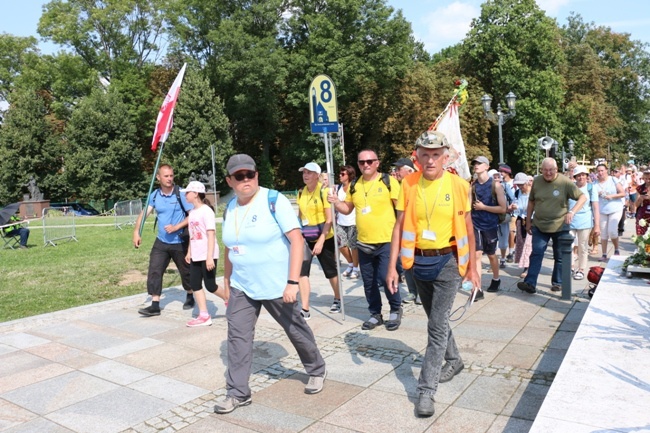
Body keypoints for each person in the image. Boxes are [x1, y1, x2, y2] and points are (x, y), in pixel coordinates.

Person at [215, 154, 326, 414]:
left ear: (257, 175)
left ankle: (316, 368)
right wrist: (227, 279)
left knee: (295, 329)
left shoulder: (273, 200)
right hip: (243, 286)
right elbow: (230, 247)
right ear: (230, 180)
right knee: (238, 337)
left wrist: (292, 282)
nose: (246, 180)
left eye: (250, 174)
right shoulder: (230, 208)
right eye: (239, 176)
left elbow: (297, 241)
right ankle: (238, 392)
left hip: (278, 284)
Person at [386, 130, 480, 418]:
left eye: (436, 154)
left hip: (449, 262)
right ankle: (455, 359)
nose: (430, 160)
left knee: (436, 325)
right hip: (417, 263)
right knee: (435, 319)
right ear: (417, 157)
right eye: (425, 154)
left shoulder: (460, 185)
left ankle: (425, 391)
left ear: (445, 156)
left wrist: (474, 267)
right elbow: (399, 226)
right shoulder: (408, 184)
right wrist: (392, 266)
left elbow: (467, 227)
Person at [328, 149, 402, 331]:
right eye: (362, 162)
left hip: (387, 240)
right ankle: (375, 314)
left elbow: (401, 211)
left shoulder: (388, 181)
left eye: (370, 161)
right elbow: (347, 209)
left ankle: (395, 309)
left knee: (387, 277)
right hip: (363, 242)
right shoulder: (355, 185)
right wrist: (336, 201)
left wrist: (403, 237)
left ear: (377, 162)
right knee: (368, 282)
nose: (366, 165)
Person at [517, 158, 586, 294]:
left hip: (560, 226)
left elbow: (582, 197)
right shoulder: (537, 181)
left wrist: (572, 211)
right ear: (541, 170)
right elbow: (531, 202)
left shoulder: (564, 182)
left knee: (559, 256)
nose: (548, 173)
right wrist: (529, 222)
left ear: (556, 170)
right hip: (540, 224)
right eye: (545, 170)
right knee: (536, 253)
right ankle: (530, 283)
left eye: (551, 170)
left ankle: (558, 282)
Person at [133, 164, 194, 316]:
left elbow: (193, 215)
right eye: (166, 176)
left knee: (186, 272)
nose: (169, 179)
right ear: (158, 177)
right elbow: (144, 213)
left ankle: (190, 294)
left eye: (171, 175)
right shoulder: (154, 195)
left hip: (179, 241)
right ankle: (155, 305)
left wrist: (177, 226)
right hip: (161, 241)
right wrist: (136, 232)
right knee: (155, 269)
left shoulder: (181, 194)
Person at [297, 162, 341, 317]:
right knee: (302, 272)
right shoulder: (301, 192)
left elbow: (329, 219)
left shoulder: (324, 191)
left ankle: (338, 297)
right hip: (307, 236)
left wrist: (321, 240)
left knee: (330, 271)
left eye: (309, 172)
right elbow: (300, 216)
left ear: (317, 175)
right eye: (304, 172)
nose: (305, 175)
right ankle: (305, 308)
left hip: (324, 236)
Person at [182, 181, 228, 327]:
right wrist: (189, 251)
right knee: (195, 284)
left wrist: (209, 257)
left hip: (208, 254)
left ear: (195, 193)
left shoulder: (206, 211)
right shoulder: (192, 212)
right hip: (196, 254)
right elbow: (192, 234)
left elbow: (211, 234)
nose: (185, 195)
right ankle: (204, 315)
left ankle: (230, 300)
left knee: (210, 285)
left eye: (187, 192)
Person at [470, 156, 506, 296]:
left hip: (490, 225)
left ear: (486, 166)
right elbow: (468, 206)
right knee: (477, 254)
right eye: (474, 164)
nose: (476, 166)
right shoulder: (472, 186)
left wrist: (484, 207)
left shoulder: (495, 185)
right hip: (475, 224)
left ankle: (496, 279)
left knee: (491, 255)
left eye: (479, 163)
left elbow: (503, 208)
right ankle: (477, 288)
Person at [392, 157, 419, 304]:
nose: (396, 171)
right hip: (405, 230)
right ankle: (412, 292)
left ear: (408, 170)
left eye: (398, 168)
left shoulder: (417, 184)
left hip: (418, 231)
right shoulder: (401, 185)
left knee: (418, 263)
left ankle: (421, 292)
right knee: (406, 262)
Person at [569, 166, 600, 281]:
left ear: (587, 176)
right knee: (569, 245)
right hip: (570, 221)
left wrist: (597, 225)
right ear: (575, 177)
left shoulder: (591, 188)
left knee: (582, 246)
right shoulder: (570, 187)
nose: (581, 177)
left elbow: (596, 207)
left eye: (583, 175)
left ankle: (581, 269)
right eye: (579, 175)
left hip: (585, 221)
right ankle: (571, 266)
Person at [595, 163, 626, 260]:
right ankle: (604, 254)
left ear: (606, 171)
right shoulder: (594, 183)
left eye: (602, 170)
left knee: (612, 231)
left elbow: (623, 193)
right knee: (603, 232)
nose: (600, 173)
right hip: (602, 210)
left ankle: (616, 249)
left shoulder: (613, 180)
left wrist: (611, 196)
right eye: (598, 171)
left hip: (615, 208)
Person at [336, 165, 360, 279]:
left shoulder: (355, 186)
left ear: (349, 175)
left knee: (353, 246)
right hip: (341, 221)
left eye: (343, 174)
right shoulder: (338, 187)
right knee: (340, 244)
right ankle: (350, 264)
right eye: (340, 174)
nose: (340, 176)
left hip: (353, 221)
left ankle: (355, 268)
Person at [512, 173, 532, 278]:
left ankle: (528, 267)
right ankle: (524, 264)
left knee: (529, 244)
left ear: (527, 183)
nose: (520, 187)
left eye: (522, 185)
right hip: (521, 219)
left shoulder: (533, 192)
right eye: (518, 185)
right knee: (521, 242)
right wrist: (513, 207)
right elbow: (516, 204)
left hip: (532, 220)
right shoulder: (517, 193)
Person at [498, 164, 516, 267]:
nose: (500, 174)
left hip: (508, 214)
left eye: (502, 172)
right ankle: (503, 256)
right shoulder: (495, 184)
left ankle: (509, 253)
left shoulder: (507, 185)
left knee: (510, 232)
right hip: (495, 215)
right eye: (499, 172)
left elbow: (514, 197)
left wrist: (511, 207)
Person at [634, 169, 650, 235]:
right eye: (645, 178)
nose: (647, 180)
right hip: (643, 212)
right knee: (641, 233)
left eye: (649, 178)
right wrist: (641, 198)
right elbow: (636, 204)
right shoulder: (640, 188)